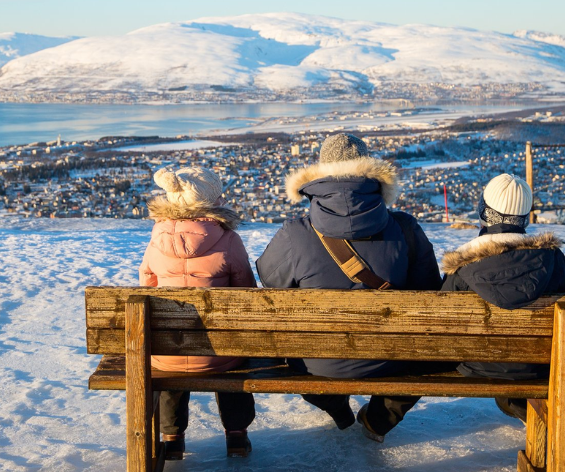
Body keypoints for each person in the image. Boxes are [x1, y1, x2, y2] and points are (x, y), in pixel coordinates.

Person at [256, 133, 441, 443]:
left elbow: (271, 281)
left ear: (319, 173)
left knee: (297, 359)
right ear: (371, 172)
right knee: (428, 356)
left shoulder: (295, 232)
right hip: (392, 360)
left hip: (317, 364)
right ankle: (379, 420)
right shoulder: (406, 229)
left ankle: (337, 409)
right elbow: (432, 294)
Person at [439, 173, 565, 422]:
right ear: (524, 217)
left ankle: (376, 422)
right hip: (537, 365)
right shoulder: (553, 260)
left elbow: (441, 322)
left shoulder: (462, 266)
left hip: (474, 364)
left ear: (484, 212)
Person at [138, 166, 257, 459]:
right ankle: (237, 435)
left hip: (168, 353)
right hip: (220, 353)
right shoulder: (228, 240)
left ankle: (172, 437)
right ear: (211, 201)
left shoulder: (157, 238)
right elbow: (247, 295)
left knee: (170, 355)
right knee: (230, 354)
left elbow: (147, 286)